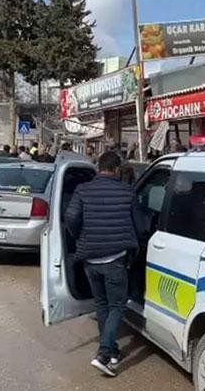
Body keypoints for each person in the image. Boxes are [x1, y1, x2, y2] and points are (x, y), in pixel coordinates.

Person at [65, 152, 138, 377]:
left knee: (102, 304)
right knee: (117, 306)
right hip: (115, 258)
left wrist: (80, 237)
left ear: (98, 167)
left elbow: (71, 218)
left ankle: (112, 351)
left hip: (90, 259)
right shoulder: (127, 192)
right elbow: (139, 223)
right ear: (116, 169)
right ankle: (104, 354)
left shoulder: (82, 190)